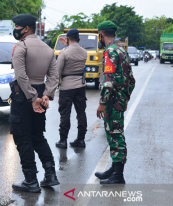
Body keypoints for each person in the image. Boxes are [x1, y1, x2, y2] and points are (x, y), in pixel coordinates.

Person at [9, 14, 59, 193]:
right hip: (39, 94)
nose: (15, 30)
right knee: (37, 136)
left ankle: (30, 181)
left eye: (17, 27)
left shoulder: (20, 47)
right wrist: (46, 95)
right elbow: (54, 76)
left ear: (26, 29)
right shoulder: (47, 48)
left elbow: (21, 76)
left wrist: (32, 98)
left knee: (23, 138)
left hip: (24, 96)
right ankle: (50, 175)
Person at [95, 21, 136, 184]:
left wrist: (103, 102)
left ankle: (118, 176)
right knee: (114, 134)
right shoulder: (121, 50)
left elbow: (108, 80)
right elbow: (132, 80)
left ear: (101, 34)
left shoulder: (110, 51)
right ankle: (114, 168)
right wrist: (124, 96)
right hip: (118, 99)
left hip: (112, 100)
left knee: (115, 135)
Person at [56, 29, 88, 148]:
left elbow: (57, 71)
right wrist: (68, 44)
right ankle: (81, 139)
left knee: (65, 113)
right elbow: (75, 49)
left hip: (66, 87)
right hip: (80, 86)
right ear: (79, 39)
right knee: (81, 113)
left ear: (68, 39)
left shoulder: (64, 53)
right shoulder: (84, 52)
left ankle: (63, 140)